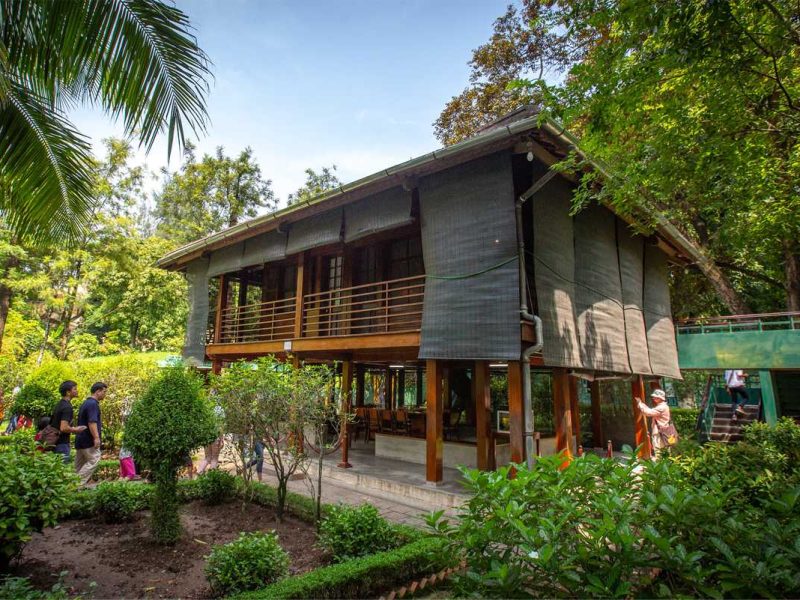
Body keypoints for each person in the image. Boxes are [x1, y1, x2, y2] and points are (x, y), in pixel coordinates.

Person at [74, 382, 107, 485]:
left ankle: (68, 488)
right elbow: (92, 422)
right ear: (98, 391)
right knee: (94, 459)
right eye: (104, 392)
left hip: (80, 439)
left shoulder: (85, 403)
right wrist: (96, 438)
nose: (105, 394)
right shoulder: (93, 404)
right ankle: (75, 484)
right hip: (88, 440)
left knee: (78, 466)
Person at [51, 380, 86, 463]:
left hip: (55, 442)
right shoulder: (67, 407)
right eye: (75, 389)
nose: (77, 391)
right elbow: (63, 428)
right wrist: (76, 430)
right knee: (62, 470)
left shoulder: (60, 404)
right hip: (62, 443)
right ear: (68, 392)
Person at [636, 388, 673, 458]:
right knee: (666, 451)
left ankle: (661, 467)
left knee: (659, 451)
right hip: (664, 432)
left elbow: (648, 412)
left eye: (655, 397)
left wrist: (640, 404)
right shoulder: (664, 406)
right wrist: (642, 404)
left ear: (660, 398)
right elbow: (650, 410)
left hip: (659, 433)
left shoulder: (661, 407)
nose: (653, 398)